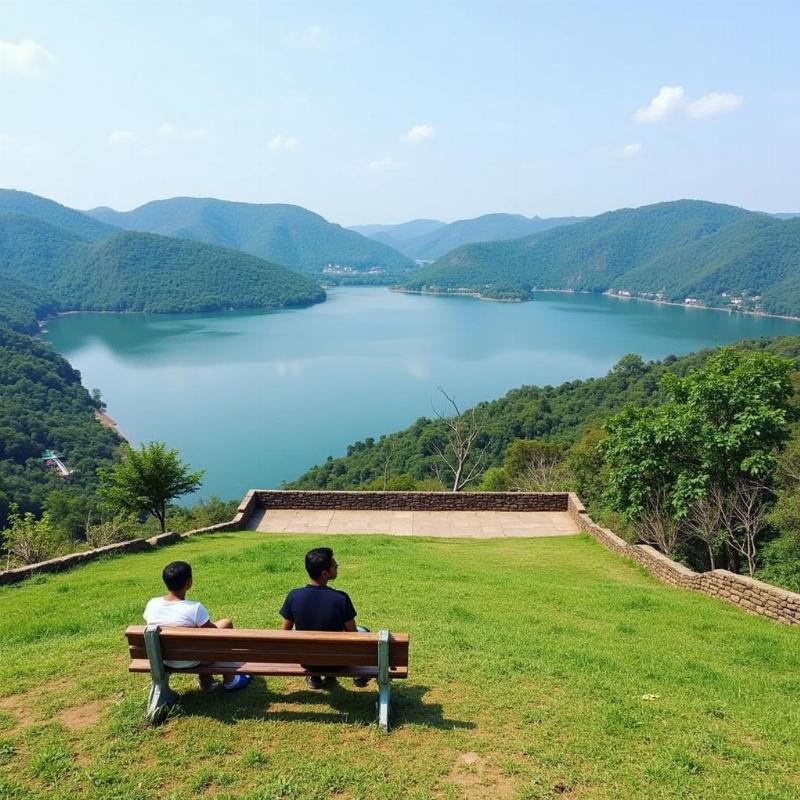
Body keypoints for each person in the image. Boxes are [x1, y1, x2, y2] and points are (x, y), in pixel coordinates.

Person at [143, 560, 251, 692]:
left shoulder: (152, 604)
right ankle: (231, 679)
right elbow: (214, 635)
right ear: (188, 582)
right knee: (225, 626)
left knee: (206, 634)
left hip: (162, 659)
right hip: (190, 660)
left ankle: (206, 680)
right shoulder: (194, 608)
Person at [279, 547, 369, 689]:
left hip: (307, 661)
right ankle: (354, 676)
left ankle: (314, 677)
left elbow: (284, 634)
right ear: (325, 573)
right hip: (336, 663)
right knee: (364, 630)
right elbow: (354, 637)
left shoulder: (293, 596)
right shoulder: (341, 599)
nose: (337, 566)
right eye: (334, 565)